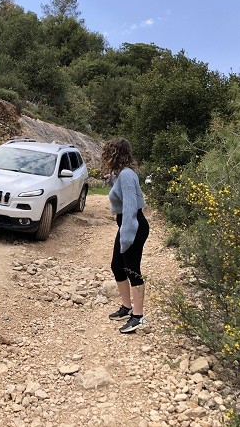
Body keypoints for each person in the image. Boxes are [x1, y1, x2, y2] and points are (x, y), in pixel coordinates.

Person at [101, 138, 150, 333]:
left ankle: (138, 317)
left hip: (133, 225)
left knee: (131, 269)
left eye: (107, 152)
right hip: (127, 224)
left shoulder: (127, 176)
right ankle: (127, 307)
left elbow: (130, 208)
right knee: (117, 266)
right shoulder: (122, 174)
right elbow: (119, 188)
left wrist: (127, 237)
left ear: (114, 154)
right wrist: (110, 179)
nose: (104, 156)